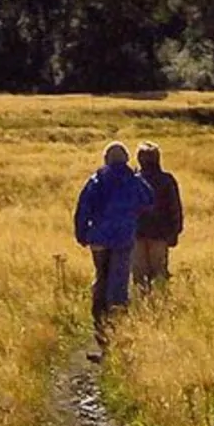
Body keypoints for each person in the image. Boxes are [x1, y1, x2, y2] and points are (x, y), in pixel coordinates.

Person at [73, 141, 154, 342]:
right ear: (126, 159)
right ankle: (117, 324)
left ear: (106, 159)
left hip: (98, 238)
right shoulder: (134, 180)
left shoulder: (97, 179)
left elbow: (83, 208)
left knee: (101, 276)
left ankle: (99, 323)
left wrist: (82, 234)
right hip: (124, 236)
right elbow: (149, 200)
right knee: (119, 278)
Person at [132, 141, 183, 292]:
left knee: (139, 275)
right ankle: (160, 300)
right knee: (159, 272)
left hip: (137, 234)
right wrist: (175, 232)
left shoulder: (134, 180)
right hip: (160, 234)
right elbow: (175, 208)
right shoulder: (167, 180)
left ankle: (142, 301)